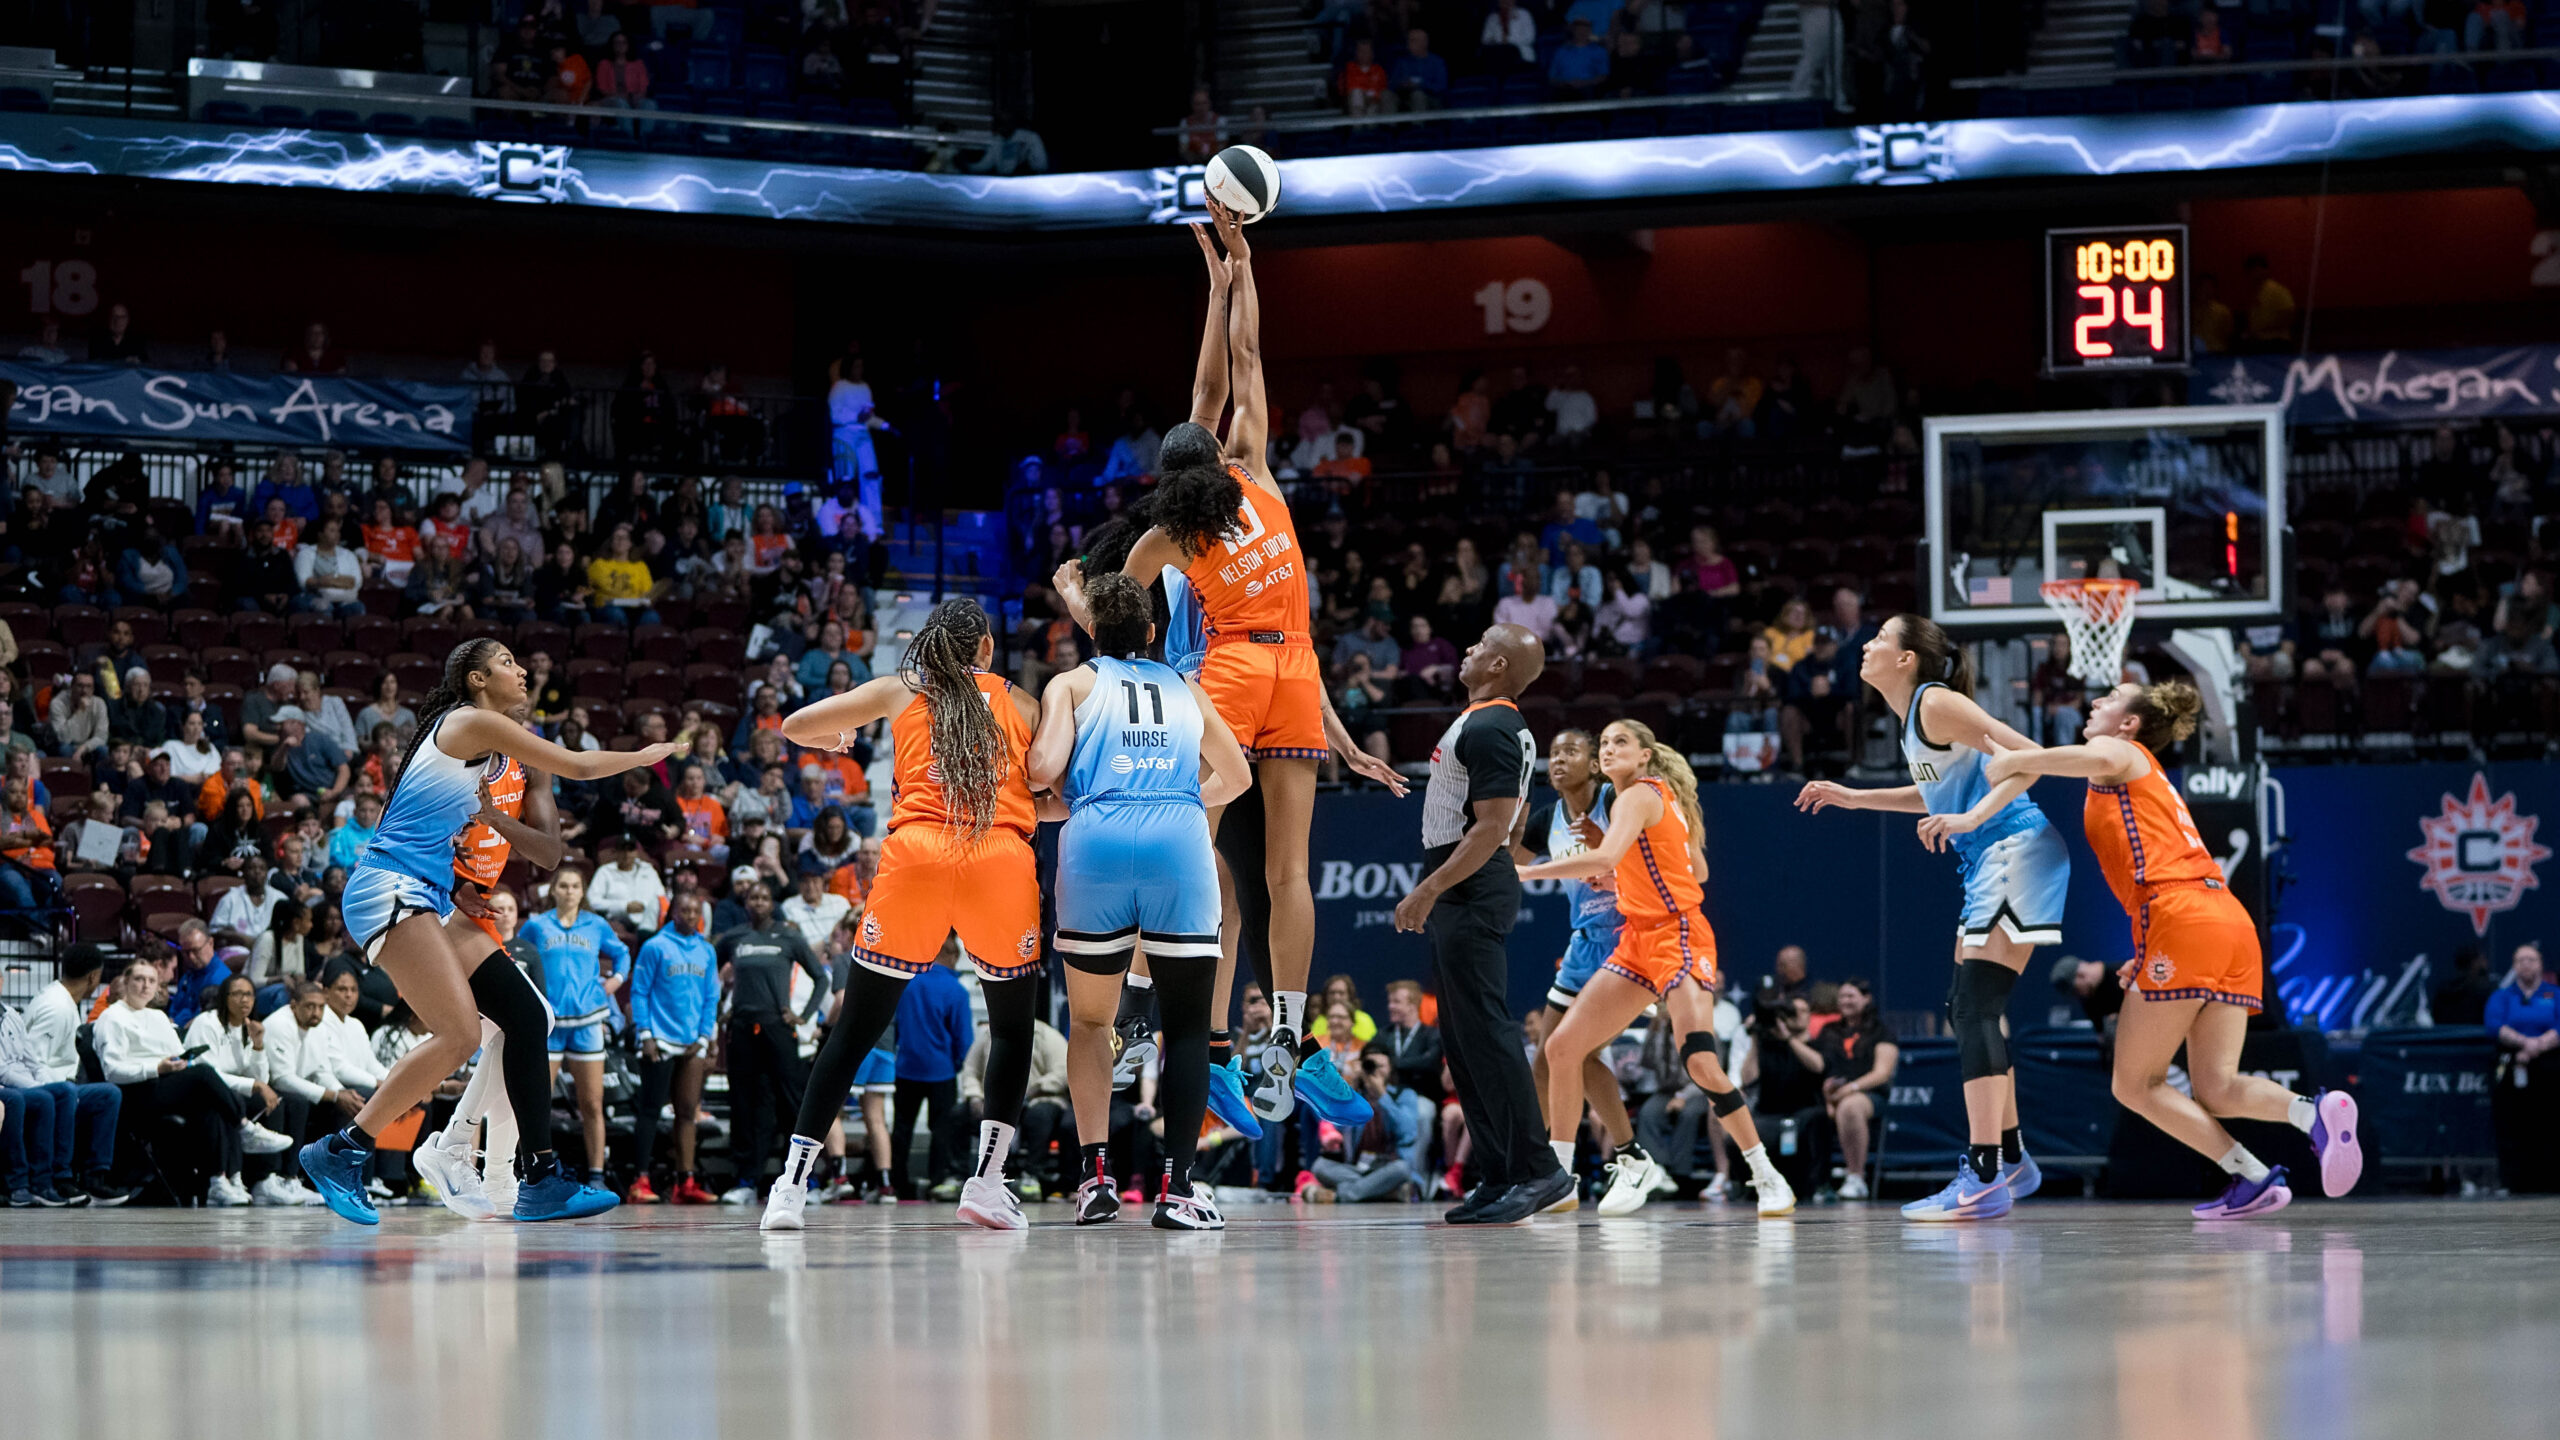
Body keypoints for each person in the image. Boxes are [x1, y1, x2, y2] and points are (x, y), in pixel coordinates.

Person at [1069, 203, 1403, 1135]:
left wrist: (1074, 595)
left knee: (1186, 853)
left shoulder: (1164, 535)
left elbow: (1112, 627)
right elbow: (1238, 375)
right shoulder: (1257, 477)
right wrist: (1240, 275)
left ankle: (1154, 1015)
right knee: (1280, 879)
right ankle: (1279, 1043)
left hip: (1213, 684)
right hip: (1292, 673)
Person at [297, 640, 676, 1225]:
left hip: (426, 892)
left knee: (526, 1018)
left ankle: (540, 1177)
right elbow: (575, 764)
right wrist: (646, 754)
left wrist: (452, 886)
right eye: (506, 663)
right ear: (476, 680)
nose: (523, 669)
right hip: (388, 889)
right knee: (459, 1036)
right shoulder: (471, 722)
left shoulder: (479, 741)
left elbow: (458, 834)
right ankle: (343, 1150)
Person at [1982, 681, 2366, 1216]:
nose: (2095, 702)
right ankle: (2312, 1114)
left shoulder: (2120, 751)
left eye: (2110, 698)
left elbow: (2082, 760)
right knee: (2217, 1085)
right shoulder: (2131, 775)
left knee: (2135, 1085)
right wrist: (2143, 949)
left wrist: (2015, 759)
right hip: (2227, 922)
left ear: (2130, 723)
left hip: (2183, 918)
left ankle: (2248, 1172)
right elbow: (2149, 872)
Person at [759, 598, 1048, 1232]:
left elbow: (795, 726)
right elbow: (1053, 790)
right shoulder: (1025, 704)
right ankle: (987, 1182)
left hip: (915, 854)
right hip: (997, 855)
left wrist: (838, 737)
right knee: (1012, 1032)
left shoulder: (900, 691)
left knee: (854, 1031)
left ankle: (791, 1187)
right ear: (986, 651)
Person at [1794, 614, 2070, 1222]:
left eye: (1879, 638)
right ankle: (2014, 1157)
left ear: (1906, 658)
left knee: (1974, 1009)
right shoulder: (1913, 717)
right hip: (1990, 858)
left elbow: (2031, 758)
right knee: (1967, 1009)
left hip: (2013, 848)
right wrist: (1855, 796)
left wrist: (1972, 821)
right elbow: (1938, 792)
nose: (1864, 644)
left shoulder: (1937, 702)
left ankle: (1984, 1172)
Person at [1027, 570, 1253, 1229]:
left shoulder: (1071, 682)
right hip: (1178, 846)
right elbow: (1234, 775)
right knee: (1184, 1028)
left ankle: (1095, 1180)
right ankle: (1178, 1189)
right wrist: (1179, 798)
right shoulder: (1187, 685)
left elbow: (1042, 770)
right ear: (1153, 633)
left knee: (1094, 1023)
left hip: (1094, 845)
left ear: (1089, 631)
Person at [1520, 719, 1799, 1219]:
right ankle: (1561, 1181)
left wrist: (1526, 870)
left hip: (1679, 934)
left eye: (1619, 742)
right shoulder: (1655, 797)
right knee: (1563, 1048)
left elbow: (1605, 853)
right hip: (1637, 941)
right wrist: (1626, 874)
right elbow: (1697, 868)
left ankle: (1765, 1174)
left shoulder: (1636, 796)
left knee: (1700, 1062)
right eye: (1603, 743)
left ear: (1645, 754)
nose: (1608, 750)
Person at [1388, 624, 1577, 1223]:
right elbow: (1515, 825)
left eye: (1476, 646)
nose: (1464, 649)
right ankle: (1498, 1173)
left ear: (1497, 664)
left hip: (1466, 882)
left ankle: (1539, 1170)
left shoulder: (1494, 725)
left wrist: (1430, 888)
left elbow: (1494, 827)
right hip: (1470, 881)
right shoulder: (1491, 723)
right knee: (1465, 1042)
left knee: (1489, 1035)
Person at [411, 722, 566, 1224]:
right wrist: (452, 880)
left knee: (520, 1027)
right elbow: (408, 827)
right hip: (431, 903)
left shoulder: (530, 765)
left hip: (468, 912)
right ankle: (469, 1152)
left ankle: (486, 1166)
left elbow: (548, 853)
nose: (519, 675)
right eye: (506, 664)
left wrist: (496, 816)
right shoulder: (452, 747)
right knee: (526, 1021)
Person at [1512, 726, 1663, 1214]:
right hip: (1583, 945)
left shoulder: (1616, 801)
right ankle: (1582, 1167)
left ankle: (1586, 1166)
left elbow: (1655, 862)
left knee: (1576, 1050)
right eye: (1552, 754)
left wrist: (1606, 851)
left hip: (1629, 937)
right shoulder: (1545, 820)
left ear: (1594, 764)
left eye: (1571, 751)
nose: (1558, 760)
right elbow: (1505, 868)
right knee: (1547, 1060)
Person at [94, 961, 293, 1205]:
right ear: (126, 982)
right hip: (135, 1092)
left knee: (210, 1103)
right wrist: (157, 1067)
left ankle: (218, 1181)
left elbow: (178, 1054)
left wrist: (178, 1063)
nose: (145, 985)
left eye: (151, 980)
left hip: (166, 1083)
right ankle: (243, 1127)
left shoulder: (157, 1016)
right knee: (203, 1073)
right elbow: (112, 1071)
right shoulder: (112, 1017)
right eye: (139, 979)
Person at [716, 881, 831, 1207]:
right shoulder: (734, 938)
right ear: (746, 903)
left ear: (772, 903)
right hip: (741, 1029)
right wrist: (718, 1009)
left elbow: (820, 977)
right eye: (754, 897)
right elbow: (707, 971)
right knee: (744, 1106)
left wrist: (803, 1016)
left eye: (765, 896)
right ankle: (746, 1181)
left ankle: (805, 1179)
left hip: (778, 1030)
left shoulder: (789, 936)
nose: (759, 901)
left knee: (792, 1104)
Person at [522, 865, 627, 1193]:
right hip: (549, 1021)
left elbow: (621, 953)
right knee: (538, 1103)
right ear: (553, 890)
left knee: (592, 1104)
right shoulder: (537, 926)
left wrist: (615, 982)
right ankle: (534, 1173)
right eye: (563, 886)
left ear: (583, 892)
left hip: (588, 1020)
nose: (569, 891)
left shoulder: (596, 925)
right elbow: (518, 956)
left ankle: (596, 1173)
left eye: (575, 886)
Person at [621, 891, 720, 1203]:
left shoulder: (707, 950)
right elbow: (638, 992)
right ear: (672, 912)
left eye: (695, 910)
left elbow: (711, 997)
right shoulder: (655, 946)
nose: (690, 914)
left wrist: (704, 1037)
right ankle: (640, 1180)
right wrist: (646, 1034)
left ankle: (684, 1182)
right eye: (684, 909)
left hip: (693, 1042)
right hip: (660, 1039)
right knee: (650, 1111)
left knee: (687, 1112)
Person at [0, 994, 126, 1207]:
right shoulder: (54, 1006)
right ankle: (46, 1180)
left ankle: (88, 1178)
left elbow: (35, 1063)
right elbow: (3, 1072)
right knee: (46, 1096)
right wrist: (42, 1088)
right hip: (12, 1086)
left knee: (103, 1093)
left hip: (33, 1082)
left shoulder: (11, 1014)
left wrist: (47, 1082)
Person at [1815, 977, 1896, 1199]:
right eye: (1841, 996)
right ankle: (1812, 1182)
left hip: (1869, 1094)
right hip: (1831, 1094)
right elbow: (1820, 1065)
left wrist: (1851, 1089)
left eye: (1851, 996)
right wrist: (1828, 1094)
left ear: (1866, 999)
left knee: (1850, 1107)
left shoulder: (1881, 1031)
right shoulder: (1829, 1030)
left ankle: (1856, 1177)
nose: (1845, 1001)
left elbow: (1882, 1073)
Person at [2484, 943, 2557, 1192]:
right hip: (2512, 1062)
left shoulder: (2553, 994)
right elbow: (2495, 1025)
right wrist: (2524, 1043)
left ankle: (2550, 1181)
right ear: (2514, 966)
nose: (2526, 964)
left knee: (2549, 1122)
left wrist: (2538, 1045)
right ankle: (2515, 1183)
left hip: (2548, 1064)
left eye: (2531, 959)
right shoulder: (2503, 995)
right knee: (2511, 1123)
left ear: (2540, 964)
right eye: (2520, 960)